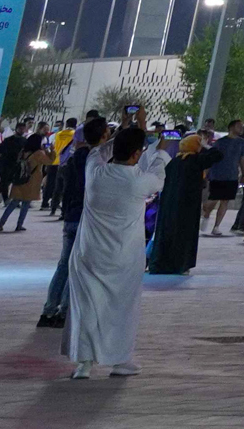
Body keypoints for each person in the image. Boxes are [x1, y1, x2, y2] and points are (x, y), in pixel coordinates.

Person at [63, 123, 150, 380]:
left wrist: (122, 133)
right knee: (121, 308)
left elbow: (99, 151)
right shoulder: (139, 181)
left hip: (89, 253)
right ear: (137, 153)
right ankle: (120, 359)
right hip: (123, 257)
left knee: (86, 308)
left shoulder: (95, 171)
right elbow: (157, 167)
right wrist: (140, 130)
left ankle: (84, 364)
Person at [147, 120, 210, 275]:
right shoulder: (194, 160)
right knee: (181, 237)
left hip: (168, 204)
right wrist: (205, 146)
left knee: (163, 235)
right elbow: (217, 155)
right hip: (186, 206)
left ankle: (157, 263)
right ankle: (179, 264)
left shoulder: (174, 161)